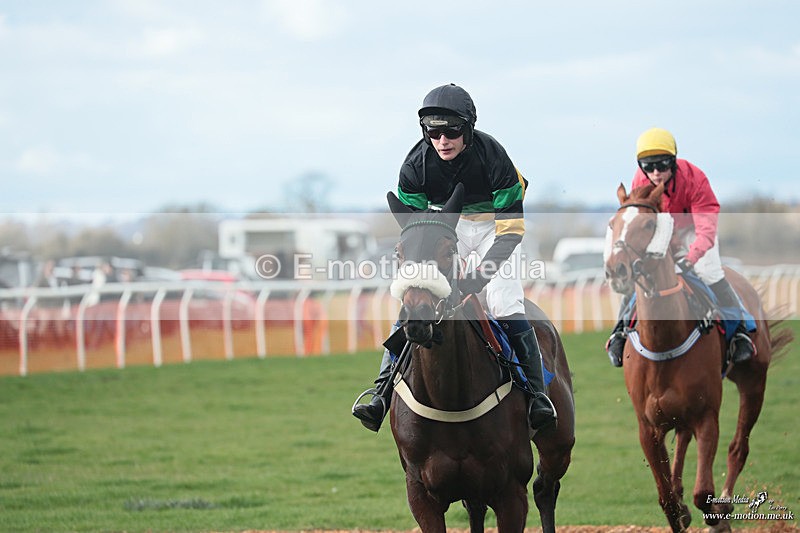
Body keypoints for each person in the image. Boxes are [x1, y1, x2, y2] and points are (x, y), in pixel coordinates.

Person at [352, 83, 557, 432]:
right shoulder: (415, 167)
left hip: (497, 226)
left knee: (505, 302)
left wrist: (477, 279)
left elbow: (510, 231)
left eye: (452, 131)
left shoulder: (495, 158)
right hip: (451, 226)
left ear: (469, 129)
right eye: (434, 132)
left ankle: (538, 396)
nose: (442, 140)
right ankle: (382, 393)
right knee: (419, 298)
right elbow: (415, 234)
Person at [605, 127, 756, 367]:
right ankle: (620, 331)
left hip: (695, 228)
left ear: (673, 162)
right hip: (664, 226)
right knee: (641, 271)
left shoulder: (695, 178)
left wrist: (690, 258)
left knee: (709, 271)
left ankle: (739, 330)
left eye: (662, 166)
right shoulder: (640, 179)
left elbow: (706, 231)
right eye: (648, 167)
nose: (655, 173)